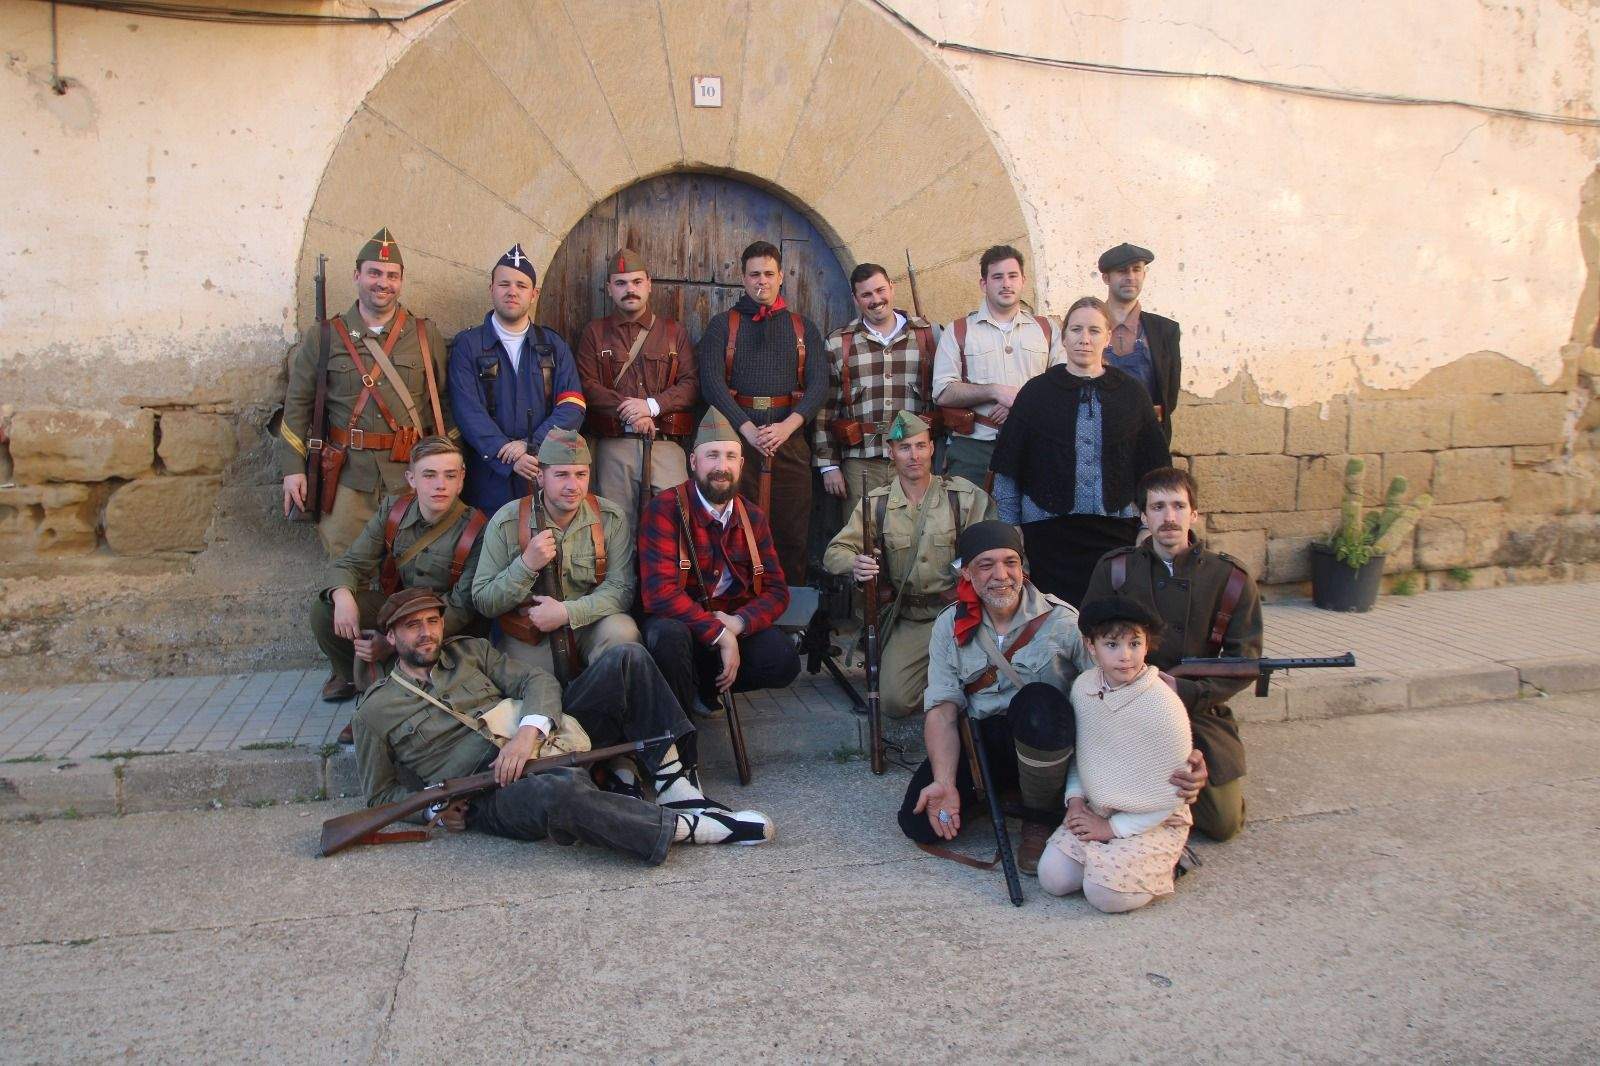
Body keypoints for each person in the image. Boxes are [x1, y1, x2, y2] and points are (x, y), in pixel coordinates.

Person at [351, 588, 774, 862]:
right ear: (390, 636)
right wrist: (438, 809)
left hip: (547, 740)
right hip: (491, 792)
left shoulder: (470, 652)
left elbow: (535, 680)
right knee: (560, 791)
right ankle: (685, 830)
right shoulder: (375, 709)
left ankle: (673, 785)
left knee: (627, 657)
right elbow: (379, 797)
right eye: (412, 626)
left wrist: (527, 734)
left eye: (433, 622)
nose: (426, 634)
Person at [898, 521, 1207, 877]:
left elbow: (1127, 687)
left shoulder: (1062, 621)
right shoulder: (948, 626)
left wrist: (1183, 751)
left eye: (1010, 562)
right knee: (918, 822)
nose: (1001, 575)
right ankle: (1005, 796)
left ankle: (1039, 819)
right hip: (988, 744)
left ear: (1023, 566)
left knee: (1039, 702)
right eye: (986, 565)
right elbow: (942, 710)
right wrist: (945, 781)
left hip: (1052, 747)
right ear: (966, 572)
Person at [1083, 466, 1260, 842]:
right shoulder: (1116, 569)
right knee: (1105, 799)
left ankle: (1169, 797)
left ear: (1194, 513)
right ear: (1143, 515)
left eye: (1178, 505)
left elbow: (1243, 662)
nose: (1169, 517)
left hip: (1196, 708)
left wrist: (1186, 691)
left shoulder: (1230, 579)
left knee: (1222, 822)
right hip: (1122, 707)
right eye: (1158, 507)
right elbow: (1091, 643)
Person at [278, 228, 454, 556]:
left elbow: (442, 405)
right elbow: (297, 406)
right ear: (357, 275)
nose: (382, 282)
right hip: (346, 478)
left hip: (410, 476)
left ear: (401, 281)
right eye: (374, 273)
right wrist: (293, 469)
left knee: (412, 572)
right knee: (346, 570)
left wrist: (451, 469)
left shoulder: (423, 334)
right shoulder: (325, 336)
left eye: (391, 275)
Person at [988, 296, 1170, 607]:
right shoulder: (1036, 393)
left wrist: (1145, 526)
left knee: (1111, 621)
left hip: (1116, 532)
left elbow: (1154, 471)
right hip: (1048, 534)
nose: (1084, 339)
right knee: (1056, 623)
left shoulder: (1132, 393)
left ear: (1108, 337)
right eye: (1076, 329)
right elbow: (1009, 468)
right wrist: (1012, 526)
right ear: (1064, 336)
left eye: (1094, 331)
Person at [822, 410, 993, 719]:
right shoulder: (877, 503)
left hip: (959, 614)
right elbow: (835, 552)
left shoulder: (963, 498)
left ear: (932, 448)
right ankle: (943, 685)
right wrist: (856, 563)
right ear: (892, 453)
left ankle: (946, 692)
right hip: (910, 619)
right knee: (894, 702)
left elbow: (997, 549)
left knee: (991, 685)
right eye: (904, 448)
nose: (913, 456)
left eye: (920, 446)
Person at [639, 409, 800, 719]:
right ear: (693, 462)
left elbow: (777, 591)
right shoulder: (665, 509)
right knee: (668, 638)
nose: (721, 467)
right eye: (712, 455)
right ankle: (676, 718)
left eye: (729, 457)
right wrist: (718, 633)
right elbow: (660, 594)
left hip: (729, 624)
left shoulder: (752, 517)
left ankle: (705, 687)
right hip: (682, 626)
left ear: (741, 465)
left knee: (783, 661)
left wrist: (739, 623)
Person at [1040, 596, 1194, 914]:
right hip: (1099, 807)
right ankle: (1108, 863)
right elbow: (1082, 756)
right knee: (1053, 879)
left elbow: (1171, 795)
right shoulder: (1084, 688)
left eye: (1134, 643)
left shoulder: (1163, 705)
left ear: (1147, 645)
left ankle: (1171, 860)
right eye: (1112, 644)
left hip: (1152, 818)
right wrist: (1076, 801)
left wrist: (1111, 830)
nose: (1125, 656)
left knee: (1104, 896)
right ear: (1091, 646)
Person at [312, 436, 487, 706]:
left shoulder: (477, 529)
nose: (440, 485)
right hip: (399, 610)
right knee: (325, 609)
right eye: (429, 475)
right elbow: (350, 562)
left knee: (438, 673)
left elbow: (461, 608)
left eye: (450, 475)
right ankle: (358, 683)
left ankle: (391, 694)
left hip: (445, 626)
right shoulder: (394, 511)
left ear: (461, 479)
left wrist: (394, 642)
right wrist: (343, 595)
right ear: (411, 479)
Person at [695, 240, 828, 586]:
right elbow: (711, 383)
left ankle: (791, 618)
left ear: (781, 276)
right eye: (754, 274)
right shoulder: (723, 325)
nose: (761, 281)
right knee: (737, 527)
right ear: (742, 277)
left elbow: (819, 385)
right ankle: (739, 603)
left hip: (790, 442)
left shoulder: (803, 328)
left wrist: (787, 427)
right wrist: (746, 429)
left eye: (769, 274)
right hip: (738, 446)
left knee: (791, 531)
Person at [472, 429, 639, 682]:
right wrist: (525, 566)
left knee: (623, 634)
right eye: (561, 475)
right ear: (540, 476)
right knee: (524, 686)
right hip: (532, 634)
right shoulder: (507, 521)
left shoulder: (610, 517)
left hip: (590, 625)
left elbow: (621, 589)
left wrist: (567, 613)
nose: (573, 486)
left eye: (580, 475)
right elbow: (484, 600)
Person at [448, 243, 587, 515]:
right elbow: (467, 411)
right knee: (488, 549)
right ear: (492, 289)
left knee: (541, 549)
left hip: (541, 472)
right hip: (487, 476)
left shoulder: (553, 345)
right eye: (504, 284)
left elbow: (572, 405)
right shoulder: (468, 345)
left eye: (521, 286)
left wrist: (531, 446)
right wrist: (506, 455)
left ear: (534, 294)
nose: (512, 291)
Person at [574, 248, 699, 534]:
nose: (629, 289)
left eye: (636, 282)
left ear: (649, 284)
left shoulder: (674, 332)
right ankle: (620, 582)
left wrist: (652, 407)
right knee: (614, 529)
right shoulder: (595, 332)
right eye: (621, 283)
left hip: (666, 444)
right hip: (614, 446)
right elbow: (588, 386)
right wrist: (632, 413)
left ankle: (666, 581)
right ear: (609, 288)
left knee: (676, 526)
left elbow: (691, 384)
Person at [814, 263, 942, 518]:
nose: (876, 300)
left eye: (880, 290)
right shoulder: (839, 341)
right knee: (861, 540)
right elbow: (825, 409)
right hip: (860, 462)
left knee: (916, 535)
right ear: (855, 299)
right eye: (866, 295)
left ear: (892, 288)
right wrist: (828, 466)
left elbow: (942, 400)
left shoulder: (929, 335)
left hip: (914, 459)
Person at [929, 245, 1061, 485]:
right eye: (997, 277)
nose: (1006, 284)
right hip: (975, 449)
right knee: (973, 520)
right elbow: (942, 391)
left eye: (1012, 276)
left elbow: (1063, 386)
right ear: (984, 284)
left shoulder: (1047, 330)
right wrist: (993, 390)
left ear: (1023, 280)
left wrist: (1020, 405)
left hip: (1035, 443)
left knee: (1034, 521)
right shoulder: (959, 330)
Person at [1099, 243, 1181, 443]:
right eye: (1122, 271)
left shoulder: (1164, 331)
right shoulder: (1086, 326)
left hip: (1147, 438)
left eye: (1137, 269)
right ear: (1106, 278)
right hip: (1097, 437)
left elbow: (1168, 396)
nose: (1130, 277)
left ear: (1144, 274)